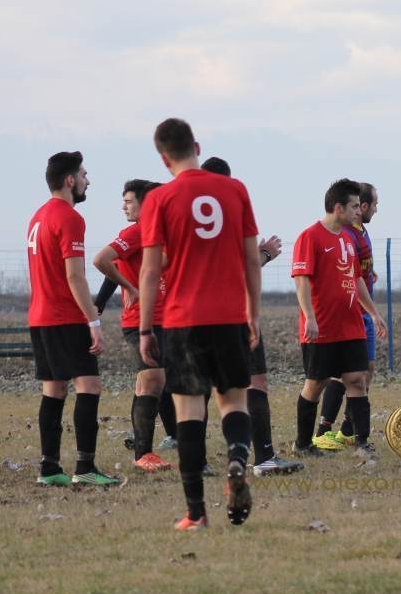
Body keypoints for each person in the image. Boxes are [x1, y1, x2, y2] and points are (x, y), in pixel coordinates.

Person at [138, 119, 262, 532]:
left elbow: (150, 270)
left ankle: (196, 513)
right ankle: (238, 459)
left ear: (163, 158)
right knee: (234, 403)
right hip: (230, 315)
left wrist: (145, 329)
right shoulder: (235, 190)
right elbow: (251, 259)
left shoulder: (159, 199)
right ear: (196, 146)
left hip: (183, 320)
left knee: (189, 411)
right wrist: (253, 312)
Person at [200, 156, 303, 477]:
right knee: (254, 383)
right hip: (235, 314)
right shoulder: (231, 210)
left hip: (193, 315)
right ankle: (263, 458)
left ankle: (197, 462)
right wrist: (265, 253)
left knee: (198, 390)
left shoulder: (187, 214)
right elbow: (241, 268)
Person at [26, 151, 118, 487]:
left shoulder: (37, 216)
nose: (87, 181)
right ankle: (85, 468)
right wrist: (93, 321)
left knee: (53, 389)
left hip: (40, 316)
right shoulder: (69, 217)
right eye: (83, 174)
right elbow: (75, 276)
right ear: (69, 180)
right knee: (88, 385)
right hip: (65, 317)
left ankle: (50, 468)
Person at [291, 179, 388, 457]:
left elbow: (356, 278)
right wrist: (310, 317)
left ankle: (361, 442)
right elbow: (301, 280)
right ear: (338, 208)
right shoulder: (310, 237)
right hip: (322, 326)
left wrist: (374, 313)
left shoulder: (348, 238)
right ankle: (303, 444)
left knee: (357, 379)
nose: (359, 211)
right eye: (354, 206)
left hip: (351, 325)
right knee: (316, 384)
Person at [92, 179, 173, 473]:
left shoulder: (157, 233)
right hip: (140, 320)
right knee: (152, 379)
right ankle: (143, 453)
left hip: (165, 318)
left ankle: (148, 447)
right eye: (124, 201)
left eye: (128, 201)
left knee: (151, 382)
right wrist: (130, 287)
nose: (123, 207)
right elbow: (102, 260)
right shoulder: (136, 232)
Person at [313, 182, 380, 450]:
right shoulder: (346, 233)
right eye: (374, 204)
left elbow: (358, 268)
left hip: (365, 312)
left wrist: (369, 273)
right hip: (352, 312)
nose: (376, 209)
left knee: (367, 370)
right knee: (346, 374)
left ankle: (348, 429)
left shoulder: (361, 231)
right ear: (361, 206)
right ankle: (324, 428)